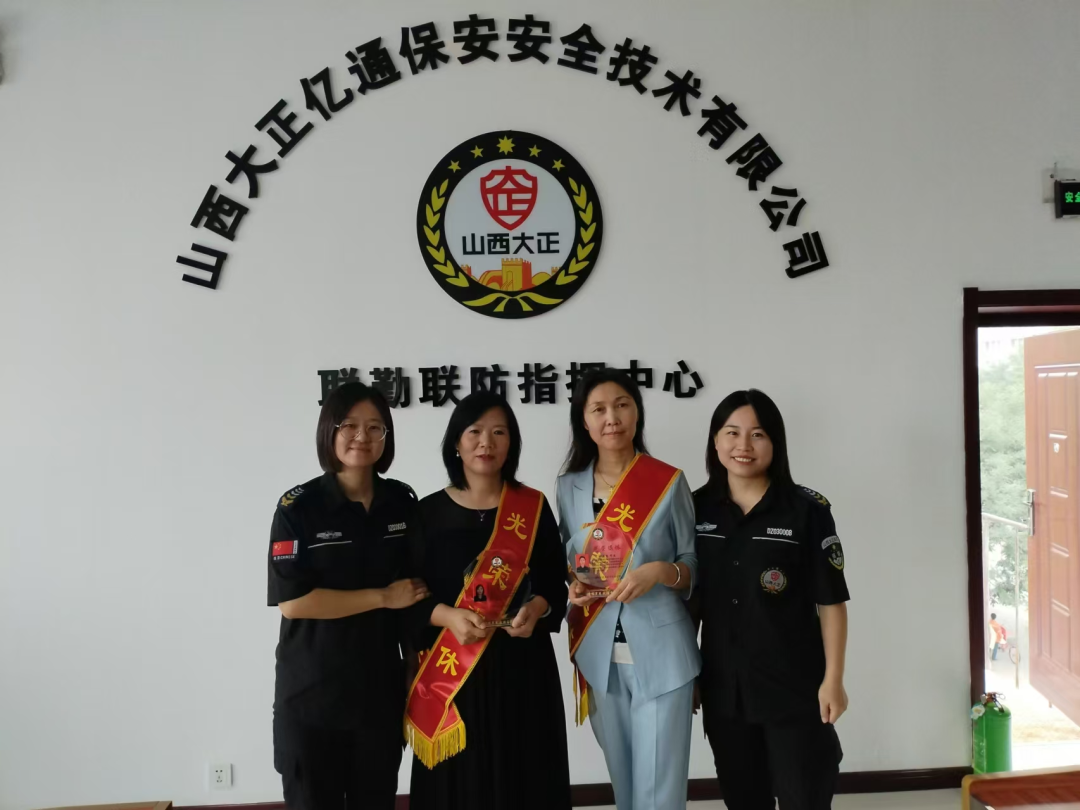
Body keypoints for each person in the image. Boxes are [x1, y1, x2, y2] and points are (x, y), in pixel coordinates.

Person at [404, 391, 571, 810]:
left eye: (499, 433)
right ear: (456, 443)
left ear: (511, 443)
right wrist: (447, 616)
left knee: (525, 775)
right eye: (474, 432)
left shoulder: (532, 507)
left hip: (523, 668)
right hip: (452, 670)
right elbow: (406, 593)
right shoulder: (427, 513)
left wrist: (538, 608)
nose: (486, 443)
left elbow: (555, 582)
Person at [267, 382, 430, 810]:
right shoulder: (298, 508)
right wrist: (382, 597)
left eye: (375, 427)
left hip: (379, 695)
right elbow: (294, 602)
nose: (362, 436)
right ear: (329, 431)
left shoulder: (402, 503)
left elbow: (413, 594)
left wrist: (414, 668)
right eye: (349, 425)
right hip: (312, 697)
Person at [692, 389, 850, 810]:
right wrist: (688, 674)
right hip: (724, 691)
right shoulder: (695, 509)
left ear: (775, 442)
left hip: (794, 688)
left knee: (805, 797)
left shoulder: (806, 510)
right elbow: (689, 603)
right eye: (732, 433)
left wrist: (833, 679)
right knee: (744, 799)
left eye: (758, 434)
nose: (743, 445)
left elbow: (831, 602)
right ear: (715, 440)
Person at [556, 369, 699, 810]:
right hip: (599, 651)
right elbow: (567, 559)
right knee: (625, 782)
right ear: (584, 420)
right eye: (598, 409)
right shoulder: (568, 486)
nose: (611, 418)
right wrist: (573, 585)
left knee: (660, 788)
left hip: (662, 651)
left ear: (637, 412)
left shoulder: (668, 481)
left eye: (622, 405)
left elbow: (692, 565)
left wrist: (659, 571)